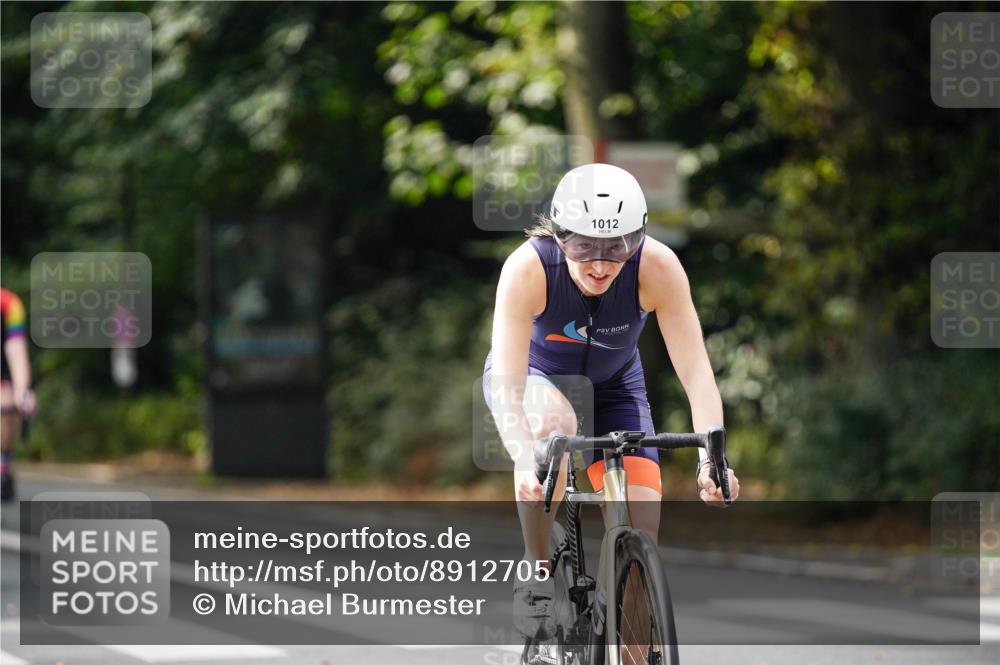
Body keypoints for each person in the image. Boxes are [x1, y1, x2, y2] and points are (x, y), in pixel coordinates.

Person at [483, 163, 740, 639]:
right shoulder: (528, 268)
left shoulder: (657, 266)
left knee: (643, 530)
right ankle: (538, 572)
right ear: (560, 236)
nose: (600, 264)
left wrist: (711, 458)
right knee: (553, 424)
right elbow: (508, 381)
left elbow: (697, 373)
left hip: (617, 388)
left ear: (638, 238)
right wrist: (523, 457)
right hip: (535, 380)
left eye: (618, 246)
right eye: (583, 247)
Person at [1, 287, 35, 502]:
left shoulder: (9, 303)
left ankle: (3, 466)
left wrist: (22, 391)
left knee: (7, 399)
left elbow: (16, 349)